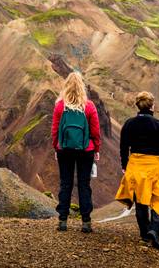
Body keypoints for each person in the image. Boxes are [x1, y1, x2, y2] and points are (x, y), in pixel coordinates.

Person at [115, 91, 159, 250]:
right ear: (152, 106)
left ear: (138, 105)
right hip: (155, 166)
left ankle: (145, 235)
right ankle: (155, 229)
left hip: (136, 165)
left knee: (141, 201)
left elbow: (124, 147)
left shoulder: (129, 124)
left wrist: (124, 165)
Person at [51, 72, 101, 233]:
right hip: (86, 150)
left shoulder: (60, 106)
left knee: (65, 184)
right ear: (82, 87)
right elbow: (95, 131)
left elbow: (55, 130)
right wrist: (97, 149)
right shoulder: (89, 106)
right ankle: (86, 222)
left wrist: (56, 147)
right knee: (84, 184)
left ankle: (62, 220)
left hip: (64, 149)